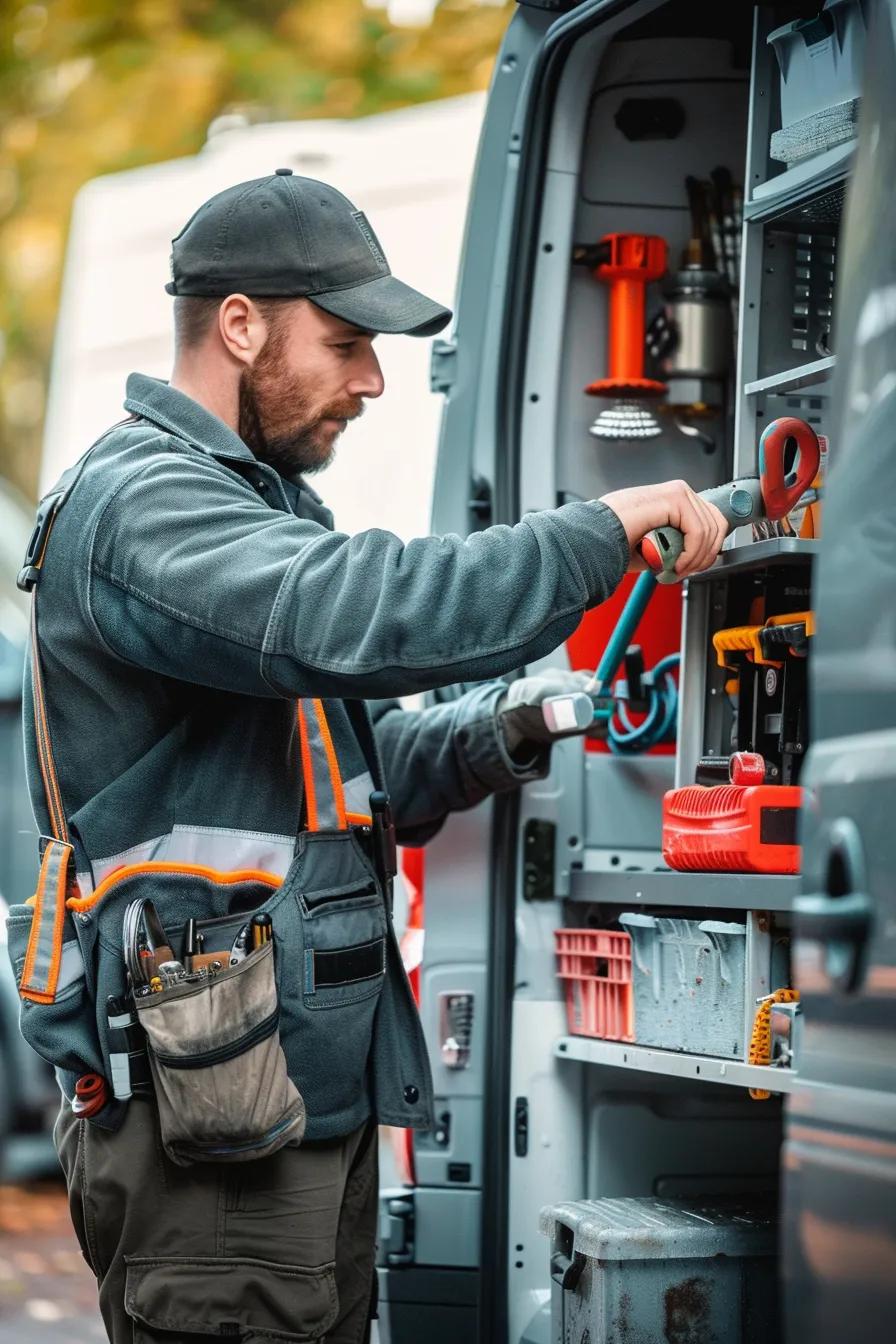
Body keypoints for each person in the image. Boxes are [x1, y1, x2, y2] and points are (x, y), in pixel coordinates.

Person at [14, 171, 725, 1343]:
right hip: (211, 1130)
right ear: (238, 324)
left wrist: (515, 726)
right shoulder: (144, 506)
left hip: (279, 1101)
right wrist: (601, 531)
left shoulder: (254, 505)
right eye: (344, 343)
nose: (372, 380)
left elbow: (339, 766)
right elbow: (367, 612)